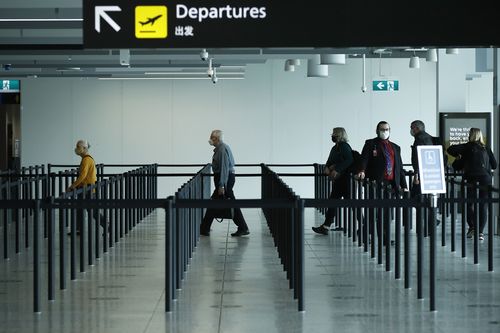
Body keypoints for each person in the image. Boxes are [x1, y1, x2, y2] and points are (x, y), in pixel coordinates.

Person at [357, 121, 407, 243]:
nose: (384, 131)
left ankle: (384, 237)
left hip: (390, 185)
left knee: (386, 213)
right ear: (377, 130)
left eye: (386, 129)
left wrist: (404, 185)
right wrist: (362, 170)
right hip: (374, 183)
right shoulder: (370, 144)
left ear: (390, 130)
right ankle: (364, 234)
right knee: (372, 211)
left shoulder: (395, 147)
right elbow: (364, 159)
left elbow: (399, 168)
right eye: (382, 129)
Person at [447, 128, 497, 241]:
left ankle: (472, 227)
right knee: (483, 205)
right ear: (480, 135)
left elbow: (450, 150)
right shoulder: (486, 148)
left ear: (470, 135)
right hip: (485, 179)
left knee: (468, 204)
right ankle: (480, 232)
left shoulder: (465, 147)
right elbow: (494, 165)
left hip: (470, 179)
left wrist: (458, 157)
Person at [200, 130, 250, 237]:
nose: (210, 140)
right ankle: (205, 228)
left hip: (224, 179)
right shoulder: (220, 149)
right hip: (225, 178)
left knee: (220, 202)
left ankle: (243, 227)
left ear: (216, 139)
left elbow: (224, 168)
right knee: (219, 202)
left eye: (212, 137)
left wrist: (222, 184)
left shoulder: (222, 150)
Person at [312, 127, 353, 235]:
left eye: (335, 134)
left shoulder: (344, 146)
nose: (333, 136)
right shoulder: (335, 148)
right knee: (333, 202)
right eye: (333, 134)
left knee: (353, 204)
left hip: (346, 180)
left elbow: (349, 160)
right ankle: (326, 226)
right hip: (338, 181)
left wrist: (337, 169)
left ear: (341, 135)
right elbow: (329, 160)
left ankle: (364, 225)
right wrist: (327, 167)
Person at [67, 139, 105, 235]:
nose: (76, 149)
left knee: (93, 211)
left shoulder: (86, 160)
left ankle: (107, 226)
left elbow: (82, 176)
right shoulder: (86, 159)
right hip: (85, 188)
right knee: (80, 209)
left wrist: (72, 186)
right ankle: (78, 229)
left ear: (84, 148)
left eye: (78, 147)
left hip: (87, 189)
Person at [410, 120, 434, 196]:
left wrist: (416, 174)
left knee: (417, 197)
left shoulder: (419, 139)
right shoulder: (429, 137)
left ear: (416, 128)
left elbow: (418, 158)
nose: (411, 130)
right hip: (430, 173)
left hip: (422, 174)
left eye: (412, 128)